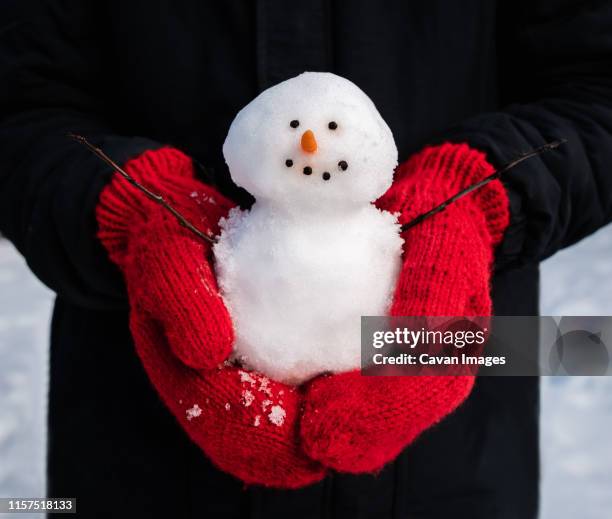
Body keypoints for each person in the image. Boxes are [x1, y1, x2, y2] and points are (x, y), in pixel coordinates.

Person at [1, 1, 611, 518]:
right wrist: (123, 211)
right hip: (137, 439)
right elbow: (22, 100)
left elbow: (597, 86)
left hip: (454, 462)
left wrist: (483, 196)